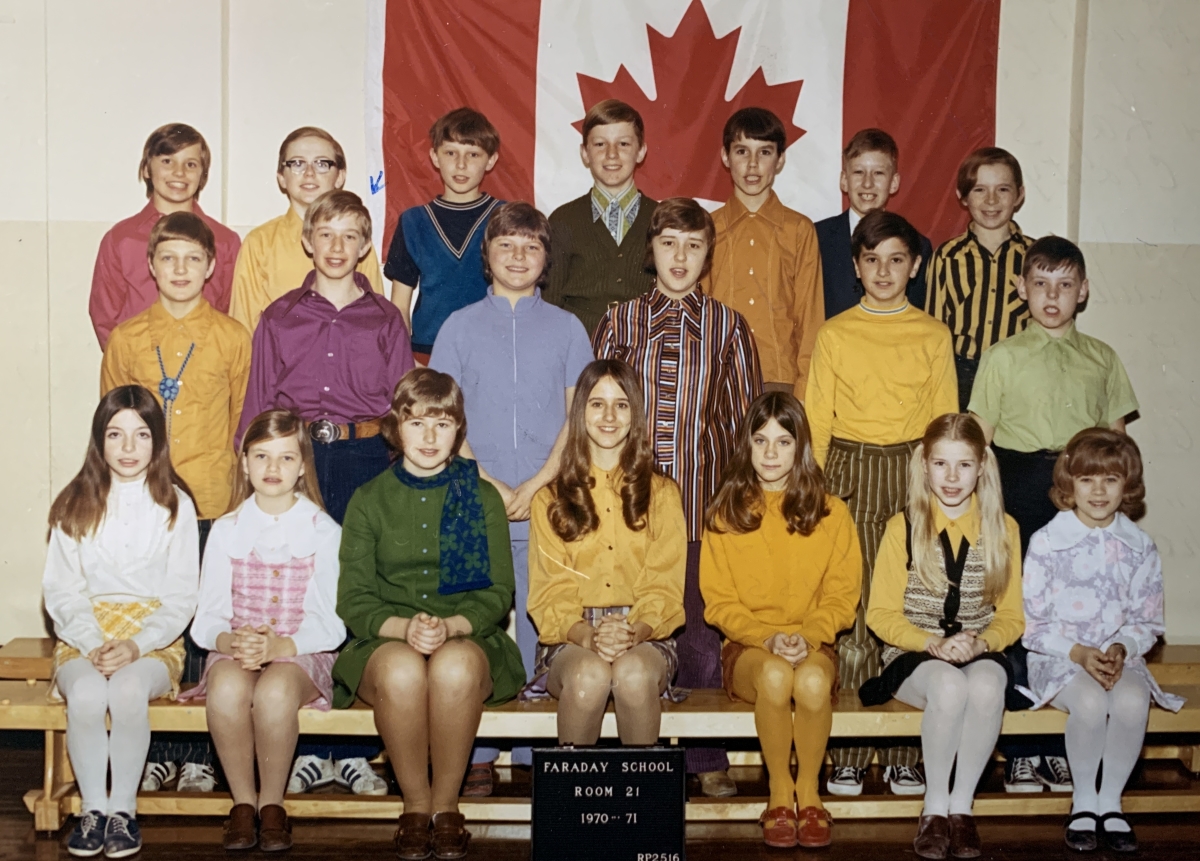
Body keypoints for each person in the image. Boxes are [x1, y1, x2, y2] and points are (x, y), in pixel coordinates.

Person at [238, 189, 412, 796]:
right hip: (297, 456)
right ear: (307, 241)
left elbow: (400, 409)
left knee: (358, 591)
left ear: (365, 246)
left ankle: (354, 748)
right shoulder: (280, 316)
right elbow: (259, 403)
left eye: (350, 236)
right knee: (302, 592)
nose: (337, 247)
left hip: (366, 457)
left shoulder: (387, 318)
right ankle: (313, 742)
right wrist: (253, 482)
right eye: (326, 234)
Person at [593, 197, 762, 798]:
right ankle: (627, 754)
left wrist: (733, 508)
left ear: (707, 254)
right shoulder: (620, 321)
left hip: (697, 507)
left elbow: (743, 426)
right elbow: (601, 413)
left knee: (694, 631)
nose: (680, 257)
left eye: (693, 245)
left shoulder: (728, 327)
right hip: (628, 509)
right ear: (652, 250)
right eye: (669, 244)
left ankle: (702, 755)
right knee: (628, 626)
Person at [430, 201, 593, 792]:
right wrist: (493, 483)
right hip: (478, 493)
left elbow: (579, 413)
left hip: (548, 496)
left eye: (531, 247)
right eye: (506, 246)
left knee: (539, 616)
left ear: (546, 259)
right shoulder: (458, 326)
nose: (518, 257)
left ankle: (532, 748)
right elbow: (444, 416)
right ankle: (477, 746)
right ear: (487, 256)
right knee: (481, 616)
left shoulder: (568, 328)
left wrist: (542, 479)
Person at [333, 368, 524, 861]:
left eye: (442, 423)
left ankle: (446, 808)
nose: (430, 436)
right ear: (396, 428)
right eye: (417, 423)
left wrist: (451, 628)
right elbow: (354, 598)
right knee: (400, 670)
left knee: (453, 665)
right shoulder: (368, 499)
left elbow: (498, 592)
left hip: (467, 634)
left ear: (458, 430)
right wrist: (403, 630)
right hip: (385, 640)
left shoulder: (479, 497)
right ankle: (414, 807)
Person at [969, 236, 1138, 792]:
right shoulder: (1001, 357)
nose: (1052, 295)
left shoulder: (1102, 358)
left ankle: (1058, 745)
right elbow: (983, 444)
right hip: (1019, 484)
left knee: (1076, 614)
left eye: (1065, 285)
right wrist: (988, 510)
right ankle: (1021, 747)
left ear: (1082, 292)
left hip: (1084, 490)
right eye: (1041, 283)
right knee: (1022, 612)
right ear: (1022, 289)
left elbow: (1115, 447)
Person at [805, 209, 957, 796]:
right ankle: (846, 747)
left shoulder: (932, 334)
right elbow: (817, 420)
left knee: (909, 608)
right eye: (872, 260)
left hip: (912, 471)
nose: (885, 271)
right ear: (856, 267)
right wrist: (813, 488)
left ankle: (899, 750)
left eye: (897, 260)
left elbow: (944, 418)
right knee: (855, 611)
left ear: (914, 266)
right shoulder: (836, 332)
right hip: (849, 469)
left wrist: (938, 488)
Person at [101, 210, 251, 795]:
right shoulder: (128, 337)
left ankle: (202, 756)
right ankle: (159, 750)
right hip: (151, 503)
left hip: (212, 498)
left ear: (212, 267)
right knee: (155, 619)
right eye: (169, 258)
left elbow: (244, 422)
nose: (181, 269)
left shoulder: (234, 336)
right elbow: (112, 425)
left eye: (193, 259)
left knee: (203, 625)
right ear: (151, 266)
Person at [43, 386, 199, 858]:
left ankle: (123, 811)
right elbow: (62, 591)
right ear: (99, 440)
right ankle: (93, 809)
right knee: (88, 691)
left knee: (129, 689)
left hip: (152, 638)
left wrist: (135, 644)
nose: (128, 449)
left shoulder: (176, 505)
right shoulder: (74, 503)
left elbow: (180, 597)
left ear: (158, 442)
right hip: (84, 632)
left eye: (141, 435)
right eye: (115, 435)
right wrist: (92, 642)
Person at [700, 392, 860, 849]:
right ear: (746, 446)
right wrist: (767, 638)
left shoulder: (832, 513)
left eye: (784, 441)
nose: (771, 453)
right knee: (774, 676)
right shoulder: (725, 513)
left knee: (809, 683)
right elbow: (720, 603)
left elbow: (841, 596)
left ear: (801, 446)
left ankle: (809, 795)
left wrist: (807, 637)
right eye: (761, 440)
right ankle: (778, 795)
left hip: (813, 645)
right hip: (749, 650)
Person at [861, 413, 1024, 860]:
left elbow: (1011, 617)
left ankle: (961, 808)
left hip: (976, 648)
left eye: (964, 465)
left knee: (988, 684)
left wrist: (981, 642)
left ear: (982, 468)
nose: (951, 478)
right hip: (913, 652)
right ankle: (934, 808)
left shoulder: (1004, 529)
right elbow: (881, 615)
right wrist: (930, 642)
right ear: (924, 465)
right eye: (941, 464)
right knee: (950, 687)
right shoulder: (904, 528)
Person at [180, 410, 345, 851]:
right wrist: (231, 641)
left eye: (286, 458)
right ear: (245, 462)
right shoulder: (226, 529)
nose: (273, 469)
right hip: (240, 649)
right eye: (262, 457)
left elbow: (329, 624)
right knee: (228, 688)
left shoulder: (323, 531)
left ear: (303, 466)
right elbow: (208, 618)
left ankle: (272, 804)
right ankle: (243, 804)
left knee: (273, 692)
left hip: (301, 651)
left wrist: (280, 646)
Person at [1023, 429, 1184, 854]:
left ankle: (1110, 802)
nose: (1098, 491)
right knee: (1091, 703)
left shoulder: (1140, 547)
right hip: (1058, 656)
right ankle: (1083, 801)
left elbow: (1148, 621)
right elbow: (1034, 626)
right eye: (1087, 480)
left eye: (1111, 480)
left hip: (1118, 658)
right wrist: (1077, 653)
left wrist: (1121, 648)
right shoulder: (1045, 543)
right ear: (1068, 484)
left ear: (1126, 486)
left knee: (1131, 701)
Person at [525, 359, 686, 749]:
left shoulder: (662, 494)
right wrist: (590, 637)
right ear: (580, 412)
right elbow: (550, 593)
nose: (609, 416)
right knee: (589, 676)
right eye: (597, 404)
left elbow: (664, 585)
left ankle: (640, 807)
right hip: (571, 637)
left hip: (644, 634)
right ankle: (573, 806)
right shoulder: (549, 498)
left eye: (621, 404)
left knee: (631, 675)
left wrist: (633, 632)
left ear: (636, 413)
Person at [706, 107, 824, 397]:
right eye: (742, 151)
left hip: (779, 380)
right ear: (725, 156)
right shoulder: (707, 228)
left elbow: (810, 320)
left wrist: (804, 392)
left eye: (765, 152)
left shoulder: (799, 230)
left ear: (780, 159)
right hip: (719, 380)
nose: (753, 165)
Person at [90, 123, 240, 348]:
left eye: (190, 164)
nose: (179, 172)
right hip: (139, 367)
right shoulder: (121, 239)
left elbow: (232, 312)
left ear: (203, 175)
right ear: (147, 169)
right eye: (167, 161)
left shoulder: (226, 241)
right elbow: (104, 316)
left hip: (206, 367)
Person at [229, 127, 385, 336]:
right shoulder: (260, 243)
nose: (309, 173)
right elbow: (244, 329)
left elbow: (375, 322)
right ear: (282, 178)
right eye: (297, 163)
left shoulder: (353, 241)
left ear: (339, 177)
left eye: (322, 164)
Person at [386, 107, 504, 363]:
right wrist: (407, 362)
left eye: (473, 154)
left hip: (492, 351)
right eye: (451, 153)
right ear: (435, 157)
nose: (461, 165)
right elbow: (399, 305)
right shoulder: (413, 221)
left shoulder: (505, 217)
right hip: (427, 352)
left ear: (491, 160)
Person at [926, 147, 1030, 410]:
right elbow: (934, 329)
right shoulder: (947, 256)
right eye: (980, 190)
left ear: (1020, 195)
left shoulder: (1035, 258)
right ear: (962, 196)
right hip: (962, 376)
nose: (991, 200)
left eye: (1003, 189)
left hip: (1019, 376)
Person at [545, 99, 658, 335]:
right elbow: (550, 304)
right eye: (600, 144)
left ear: (641, 151)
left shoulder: (662, 219)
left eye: (624, 144)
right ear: (585, 153)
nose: (612, 154)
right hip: (581, 353)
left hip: (645, 352)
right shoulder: (563, 220)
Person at [815, 128, 932, 318]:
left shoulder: (918, 244)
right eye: (859, 172)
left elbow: (917, 315)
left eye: (878, 173)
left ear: (894, 183)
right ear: (844, 180)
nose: (867, 183)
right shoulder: (815, 237)